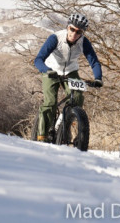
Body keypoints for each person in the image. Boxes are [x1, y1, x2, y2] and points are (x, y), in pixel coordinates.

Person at [34, 13, 103, 142]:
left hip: (71, 71)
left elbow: (94, 62)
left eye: (79, 32)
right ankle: (41, 135)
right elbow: (38, 59)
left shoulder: (84, 42)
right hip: (51, 70)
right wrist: (47, 70)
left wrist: (98, 78)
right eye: (72, 29)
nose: (74, 34)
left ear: (82, 33)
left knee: (77, 97)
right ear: (68, 27)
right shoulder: (55, 38)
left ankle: (65, 128)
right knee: (50, 102)